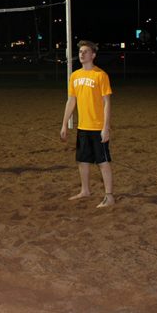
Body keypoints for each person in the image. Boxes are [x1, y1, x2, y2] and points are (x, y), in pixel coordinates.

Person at [60, 39, 115, 208]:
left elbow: (107, 103)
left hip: (97, 127)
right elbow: (71, 101)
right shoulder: (75, 76)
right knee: (82, 160)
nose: (81, 54)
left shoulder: (100, 75)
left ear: (93, 55)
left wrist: (105, 128)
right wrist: (64, 125)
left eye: (85, 51)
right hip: (83, 127)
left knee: (102, 162)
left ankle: (109, 196)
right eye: (80, 52)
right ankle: (85, 190)